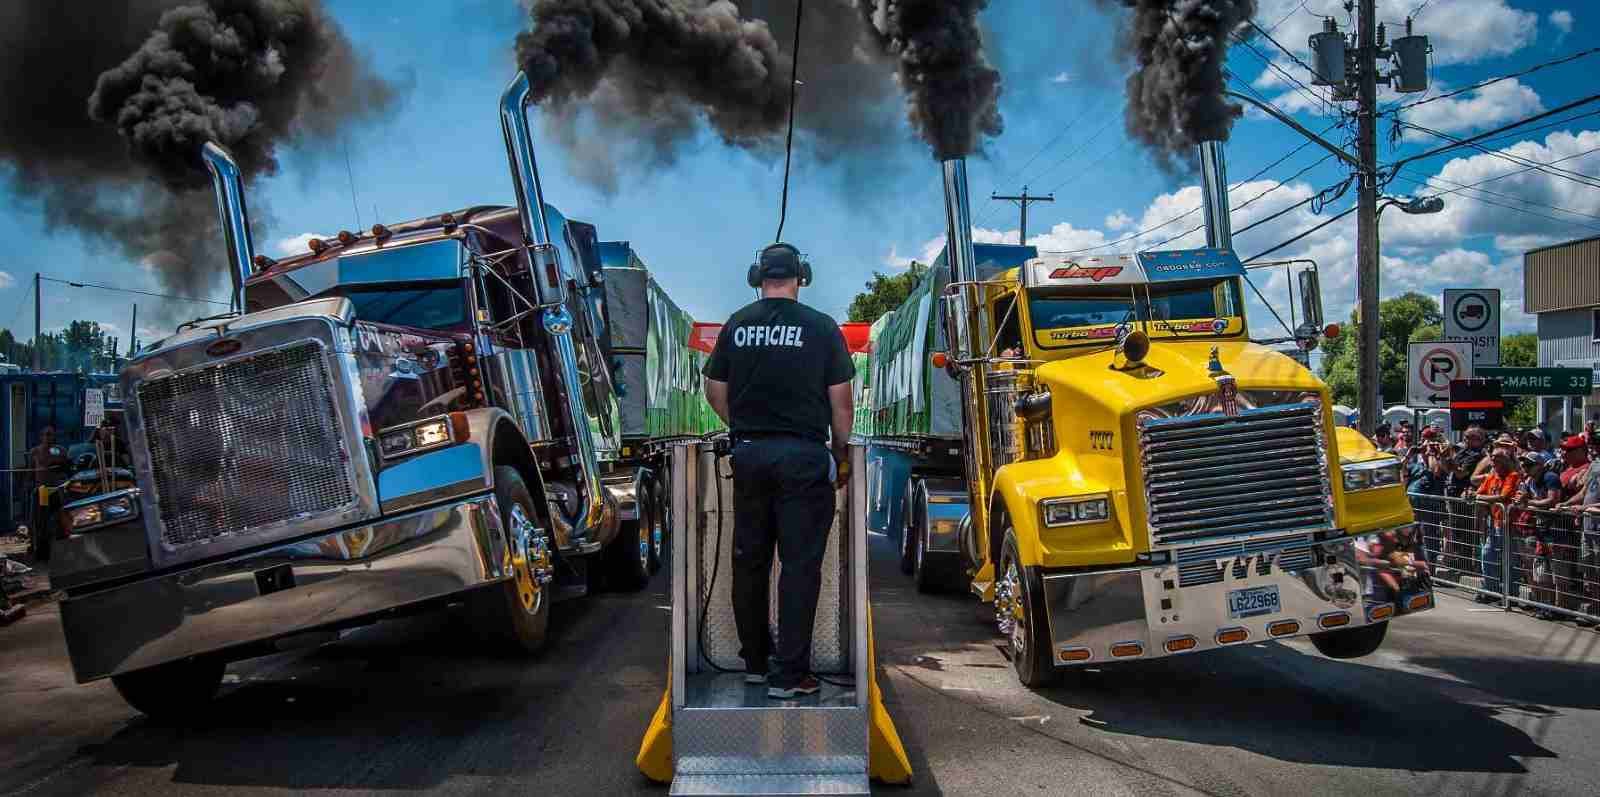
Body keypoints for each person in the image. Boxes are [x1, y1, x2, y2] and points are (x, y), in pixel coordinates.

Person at [702, 242, 854, 700]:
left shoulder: (738, 324)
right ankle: (789, 675)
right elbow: (841, 403)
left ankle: (754, 663)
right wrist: (840, 452)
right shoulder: (822, 327)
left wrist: (744, 428)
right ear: (801, 276)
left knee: (750, 561)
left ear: (757, 277)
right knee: (799, 567)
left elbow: (713, 388)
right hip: (804, 458)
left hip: (749, 454)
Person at [1514, 451, 1565, 619]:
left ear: (1539, 465)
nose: (1525, 468)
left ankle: (1559, 609)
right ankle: (1545, 607)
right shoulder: (1529, 481)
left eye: (1529, 465)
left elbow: (1552, 501)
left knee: (1557, 572)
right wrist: (1524, 501)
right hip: (1540, 532)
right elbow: (1520, 502)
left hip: (1556, 532)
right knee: (1541, 573)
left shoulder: (1550, 477)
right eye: (1524, 465)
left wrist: (1529, 502)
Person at [1475, 447, 1523, 601]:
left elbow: (1503, 497)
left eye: (1497, 457)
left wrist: (1479, 498)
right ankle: (1492, 590)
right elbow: (1479, 493)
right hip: (1494, 522)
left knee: (1510, 560)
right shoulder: (1491, 476)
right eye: (1492, 457)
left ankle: (1512, 594)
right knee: (1487, 554)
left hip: (1510, 524)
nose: (1493, 460)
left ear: (1506, 460)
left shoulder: (1513, 476)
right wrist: (1476, 496)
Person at [26, 426, 71, 563]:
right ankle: (41, 552)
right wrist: (29, 485)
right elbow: (31, 471)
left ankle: (62, 550)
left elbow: (68, 468)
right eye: (46, 435)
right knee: (41, 522)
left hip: (57, 490)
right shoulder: (35, 451)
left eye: (51, 435)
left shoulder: (61, 451)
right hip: (43, 491)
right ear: (41, 436)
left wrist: (61, 464)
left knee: (60, 521)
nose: (48, 437)